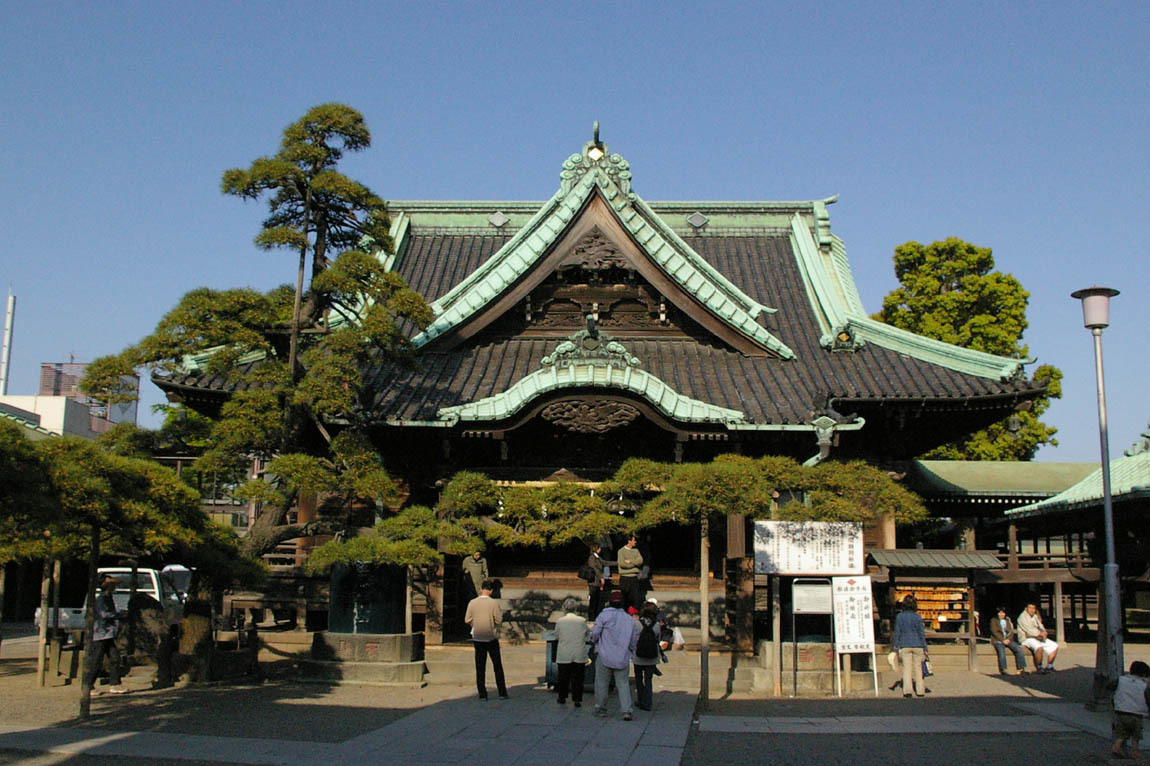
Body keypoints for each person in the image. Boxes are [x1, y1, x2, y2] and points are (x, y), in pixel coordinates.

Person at [591, 589, 640, 721]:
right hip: (622, 655)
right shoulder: (629, 620)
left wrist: (594, 641)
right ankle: (626, 710)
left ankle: (601, 708)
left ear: (610, 602)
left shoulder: (603, 616)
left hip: (604, 654)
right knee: (623, 684)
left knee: (602, 683)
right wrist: (631, 650)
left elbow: (595, 634)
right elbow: (633, 639)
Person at [464, 579, 507, 701]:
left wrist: (475, 624)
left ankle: (482, 694)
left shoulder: (472, 602)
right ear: (491, 590)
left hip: (478, 636)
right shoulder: (493, 603)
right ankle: (502, 692)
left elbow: (467, 619)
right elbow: (498, 620)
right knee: (497, 665)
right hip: (491, 637)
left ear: (481, 589)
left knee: (480, 666)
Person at [84, 574, 127, 694]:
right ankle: (88, 685)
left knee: (115, 658)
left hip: (108, 632)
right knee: (96, 660)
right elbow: (104, 614)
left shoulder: (108, 597)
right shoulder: (101, 598)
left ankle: (115, 683)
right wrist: (118, 615)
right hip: (100, 633)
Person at [1109, 660, 1150, 760]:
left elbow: (1109, 686)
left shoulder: (1121, 680)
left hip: (1121, 711)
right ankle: (1135, 752)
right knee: (1136, 735)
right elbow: (1148, 698)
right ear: (1144, 674)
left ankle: (1116, 747)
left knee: (1122, 733)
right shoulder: (1145, 685)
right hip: (1137, 713)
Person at [553, 598, 589, 707]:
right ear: (575, 608)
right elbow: (586, 634)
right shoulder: (582, 621)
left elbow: (556, 635)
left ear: (564, 608)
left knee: (563, 677)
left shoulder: (560, 621)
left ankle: (562, 697)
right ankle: (577, 699)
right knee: (578, 678)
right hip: (578, 652)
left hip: (564, 653)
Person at [892, 596, 928, 698]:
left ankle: (907, 691)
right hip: (917, 644)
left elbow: (897, 632)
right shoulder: (917, 617)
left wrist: (895, 647)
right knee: (918, 668)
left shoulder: (900, 617)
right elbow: (921, 633)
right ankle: (920, 690)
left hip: (905, 644)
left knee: (907, 668)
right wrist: (925, 648)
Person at [633, 601, 662, 711]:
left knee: (639, 679)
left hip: (638, 655)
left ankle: (641, 700)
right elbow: (657, 639)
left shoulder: (636, 624)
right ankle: (648, 702)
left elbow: (633, 639)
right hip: (652, 656)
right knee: (648, 680)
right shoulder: (657, 625)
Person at [1017, 602, 1059, 673]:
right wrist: (1040, 634)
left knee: (1055, 646)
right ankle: (1039, 666)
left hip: (1038, 637)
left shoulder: (1034, 616)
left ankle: (1049, 666)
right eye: (1030, 608)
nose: (1032, 610)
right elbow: (1029, 631)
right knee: (1039, 647)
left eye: (1033, 608)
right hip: (1026, 638)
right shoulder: (1022, 617)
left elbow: (1040, 625)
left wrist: (1044, 632)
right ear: (1026, 608)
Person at [989, 606, 1029, 675]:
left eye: (1003, 613)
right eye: (1000, 613)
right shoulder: (993, 620)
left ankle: (1021, 668)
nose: (1001, 615)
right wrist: (1002, 640)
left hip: (1008, 639)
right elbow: (994, 632)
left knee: (1018, 649)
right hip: (998, 640)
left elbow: (1011, 631)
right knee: (1001, 651)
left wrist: (1009, 639)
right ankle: (1003, 669)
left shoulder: (1007, 620)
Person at [586, 543, 616, 620]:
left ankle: (596, 616)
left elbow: (605, 563)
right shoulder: (592, 558)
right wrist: (601, 577)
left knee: (597, 600)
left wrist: (617, 563)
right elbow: (595, 569)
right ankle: (591, 617)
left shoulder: (598, 558)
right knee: (593, 600)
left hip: (597, 582)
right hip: (593, 582)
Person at [617, 534, 644, 610]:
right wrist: (634, 565)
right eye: (633, 540)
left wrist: (630, 561)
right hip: (625, 578)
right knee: (624, 599)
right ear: (629, 541)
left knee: (635, 599)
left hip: (634, 578)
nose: (635, 542)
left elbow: (640, 561)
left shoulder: (636, 550)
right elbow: (622, 564)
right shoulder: (621, 551)